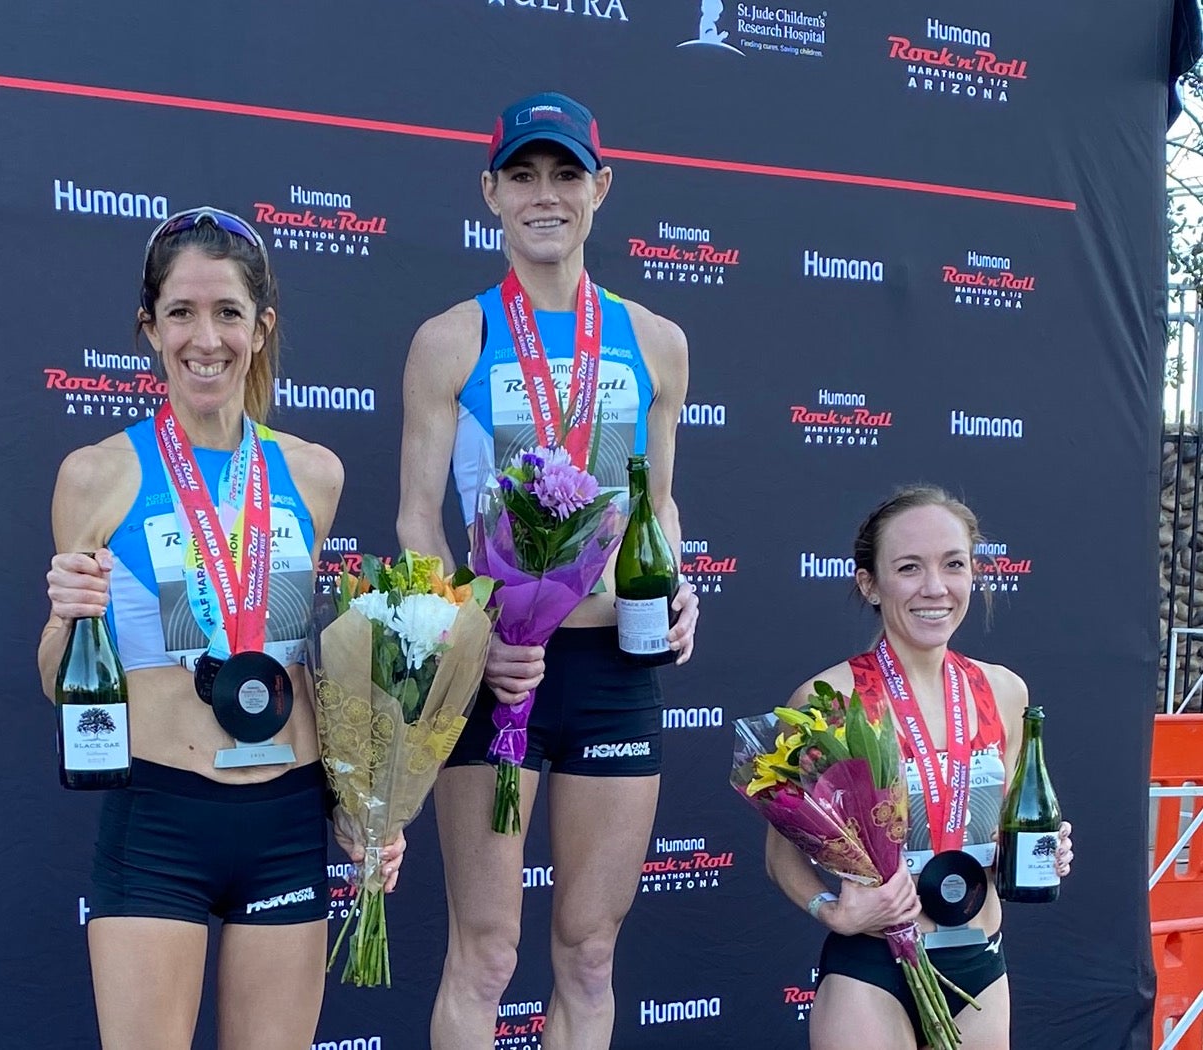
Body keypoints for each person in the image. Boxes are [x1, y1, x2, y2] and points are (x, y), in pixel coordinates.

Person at [39, 207, 404, 1050]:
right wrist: (66, 617)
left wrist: (364, 806)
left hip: (284, 823)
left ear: (260, 326)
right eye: (181, 313)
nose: (206, 338)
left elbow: (317, 665)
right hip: (160, 816)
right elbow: (61, 680)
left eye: (228, 313)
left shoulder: (313, 474)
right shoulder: (96, 475)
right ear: (150, 328)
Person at [396, 92, 699, 1050]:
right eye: (523, 175)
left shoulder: (657, 341)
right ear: (490, 192)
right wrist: (469, 641)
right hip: (497, 675)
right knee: (484, 953)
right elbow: (416, 518)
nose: (545, 195)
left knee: (590, 953)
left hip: (615, 666)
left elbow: (656, 506)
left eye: (565, 174)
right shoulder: (453, 339)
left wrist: (677, 586)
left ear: (599, 189)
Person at [764, 485, 1076, 1050]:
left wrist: (1041, 849)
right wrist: (830, 910)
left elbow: (1006, 826)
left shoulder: (1006, 691)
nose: (935, 588)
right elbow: (781, 851)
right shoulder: (829, 698)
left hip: (979, 964)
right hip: (873, 966)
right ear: (870, 584)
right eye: (909, 568)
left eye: (953, 564)